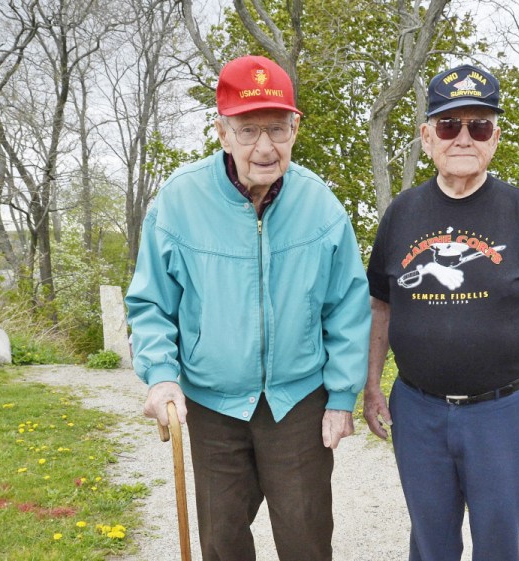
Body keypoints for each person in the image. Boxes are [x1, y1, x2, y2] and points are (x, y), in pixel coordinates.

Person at [126, 55, 371, 561]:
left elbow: (347, 305)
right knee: (221, 541)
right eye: (248, 129)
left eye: (277, 129)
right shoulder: (178, 201)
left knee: (306, 539)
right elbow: (151, 303)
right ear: (222, 132)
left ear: (294, 129)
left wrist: (343, 395)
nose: (265, 146)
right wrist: (161, 375)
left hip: (298, 401)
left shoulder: (320, 204)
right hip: (213, 402)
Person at [363, 63, 519, 561]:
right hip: (418, 411)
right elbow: (381, 308)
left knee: (498, 545)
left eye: (478, 125)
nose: (463, 137)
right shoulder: (402, 212)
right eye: (449, 125)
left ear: (494, 137)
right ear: (427, 137)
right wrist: (373, 384)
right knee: (431, 543)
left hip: (502, 415)